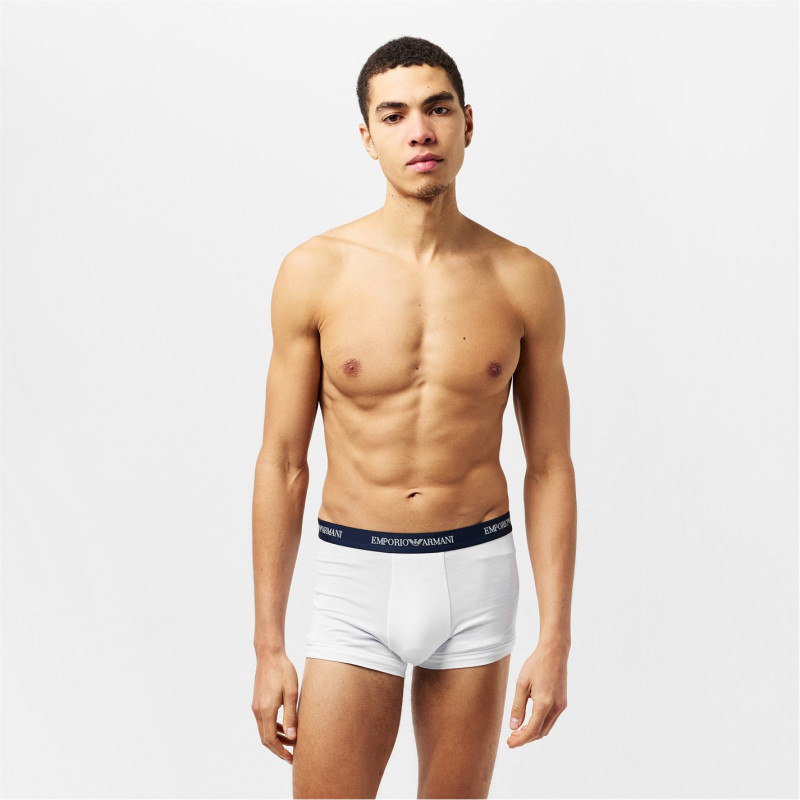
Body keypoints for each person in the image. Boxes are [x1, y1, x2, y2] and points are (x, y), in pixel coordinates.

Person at [251, 36, 577, 799]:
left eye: (437, 109)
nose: (420, 132)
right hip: (355, 581)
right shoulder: (315, 272)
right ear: (368, 138)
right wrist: (268, 645)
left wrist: (556, 639)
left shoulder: (525, 279)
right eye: (394, 116)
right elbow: (283, 463)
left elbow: (550, 466)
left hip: (476, 575)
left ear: (468, 122)